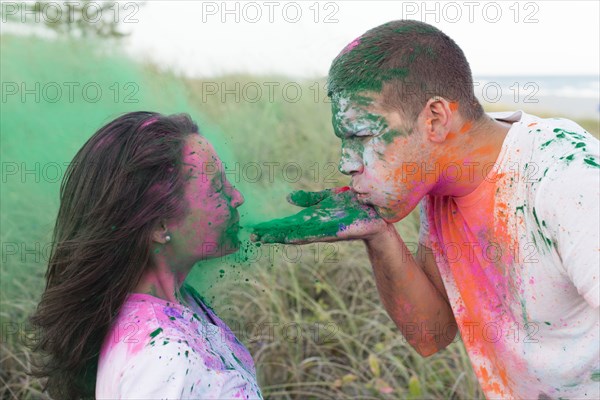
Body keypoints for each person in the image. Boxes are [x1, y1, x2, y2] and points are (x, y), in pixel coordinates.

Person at [252, 20, 599, 399]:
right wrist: (378, 236)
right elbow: (431, 335)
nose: (347, 163)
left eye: (363, 136)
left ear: (435, 118)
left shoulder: (567, 176)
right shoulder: (441, 181)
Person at [29, 111, 263, 399]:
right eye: (217, 187)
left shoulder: (179, 301)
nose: (237, 196)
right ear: (159, 224)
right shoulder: (162, 362)